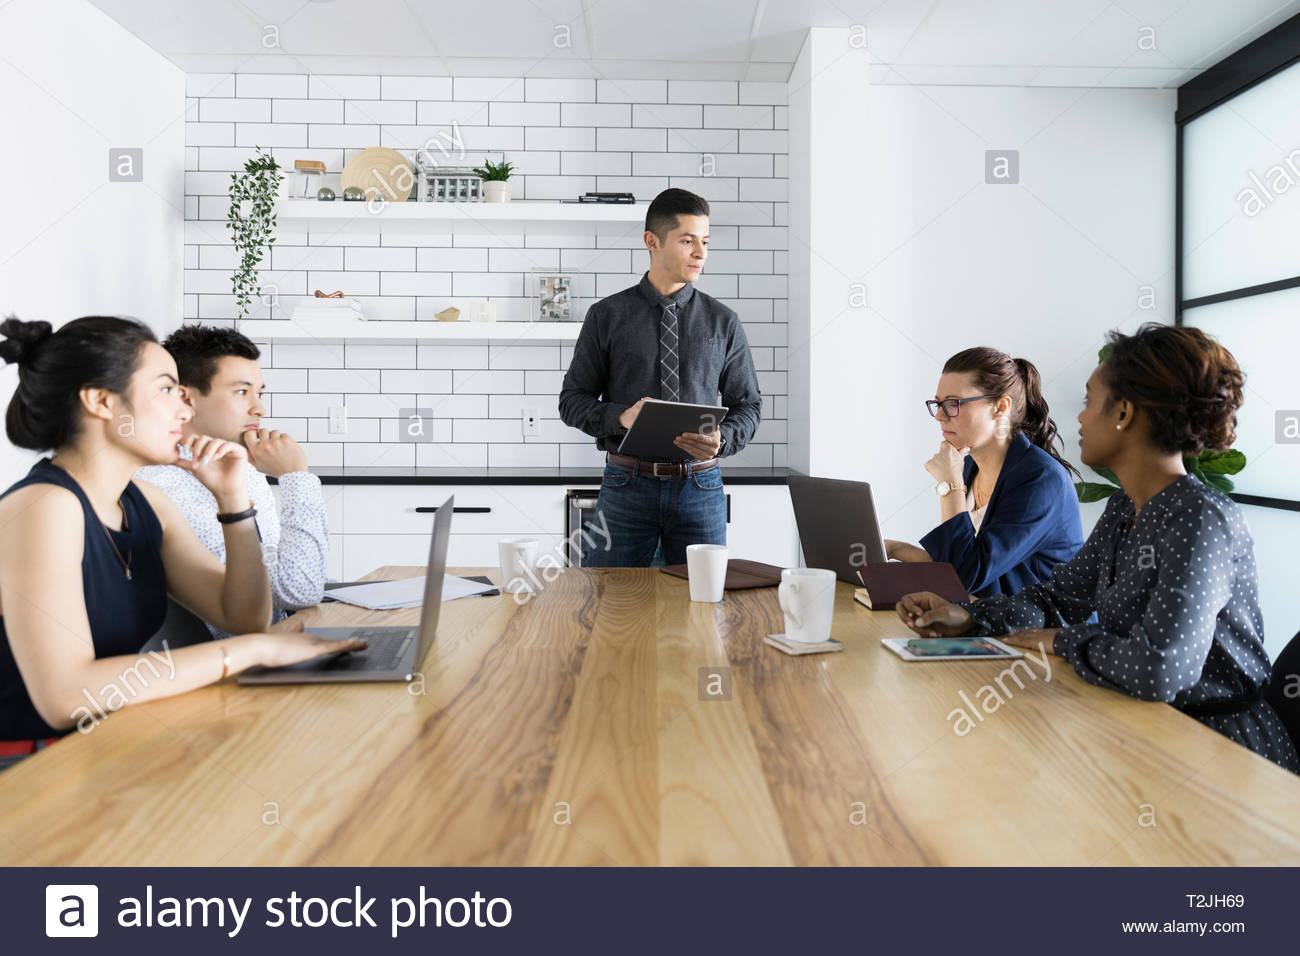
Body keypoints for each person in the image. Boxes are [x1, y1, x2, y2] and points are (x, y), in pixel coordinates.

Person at [895, 323, 1299, 773]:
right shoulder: (1127, 505)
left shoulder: (1201, 518)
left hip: (1222, 754)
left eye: (1089, 401)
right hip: (1148, 726)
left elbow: (1161, 668)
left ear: (1124, 412)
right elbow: (1058, 597)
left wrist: (1063, 640)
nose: (1081, 417)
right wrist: (969, 615)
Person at [0, 316, 363, 763]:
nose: (185, 410)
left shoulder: (146, 502)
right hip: (25, 768)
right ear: (100, 401)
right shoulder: (43, 507)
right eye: (166, 389)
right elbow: (64, 696)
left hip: (101, 747)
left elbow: (243, 616)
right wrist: (256, 650)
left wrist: (233, 498)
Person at [558, 188, 762, 566]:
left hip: (701, 488)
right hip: (626, 486)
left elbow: (748, 406)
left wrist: (723, 439)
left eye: (704, 241)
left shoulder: (724, 322)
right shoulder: (606, 316)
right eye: (687, 241)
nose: (700, 253)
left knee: (701, 611)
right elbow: (572, 401)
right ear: (652, 241)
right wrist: (621, 417)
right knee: (610, 605)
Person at [136, 325, 328, 635]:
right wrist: (296, 477)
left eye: (259, 393)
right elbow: (298, 590)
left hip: (276, 642)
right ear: (185, 399)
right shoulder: (163, 488)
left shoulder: (241, 468)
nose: (259, 408)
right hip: (233, 668)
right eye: (242, 391)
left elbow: (287, 585)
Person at [885, 348, 1084, 597]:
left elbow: (965, 575)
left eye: (952, 404)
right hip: (991, 621)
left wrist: (950, 485)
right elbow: (963, 560)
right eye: (937, 404)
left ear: (1001, 407)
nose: (939, 416)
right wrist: (895, 549)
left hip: (1043, 632)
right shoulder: (970, 466)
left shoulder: (1040, 479)